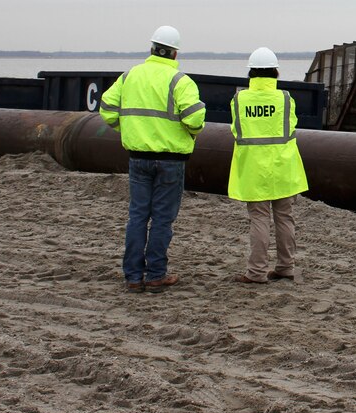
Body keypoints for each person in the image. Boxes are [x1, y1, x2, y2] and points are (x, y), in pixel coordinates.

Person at [99, 26, 206, 293]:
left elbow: (107, 109)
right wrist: (190, 133)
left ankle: (133, 277)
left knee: (137, 216)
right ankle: (156, 274)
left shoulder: (130, 76)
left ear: (151, 48)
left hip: (138, 158)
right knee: (161, 219)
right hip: (171, 160)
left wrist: (129, 129)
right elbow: (194, 118)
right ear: (175, 52)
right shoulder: (180, 81)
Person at [227, 46, 308, 285]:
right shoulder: (285, 98)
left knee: (259, 219)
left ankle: (256, 272)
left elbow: (236, 130)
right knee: (284, 218)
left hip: (253, 169)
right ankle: (286, 267)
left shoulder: (239, 99)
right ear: (276, 72)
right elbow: (290, 125)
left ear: (251, 73)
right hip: (283, 167)